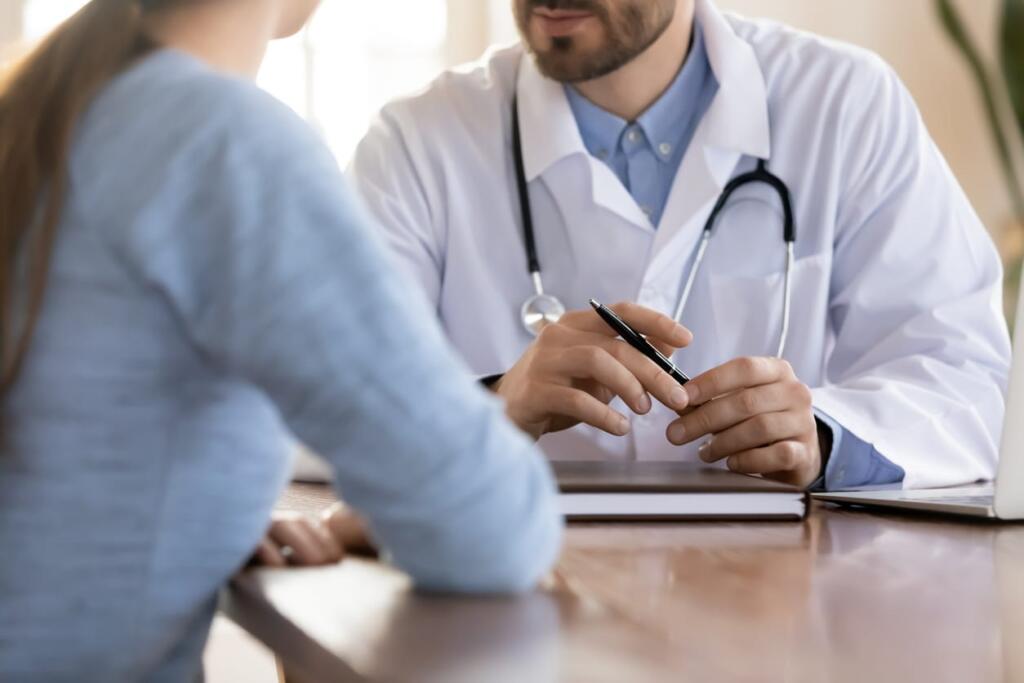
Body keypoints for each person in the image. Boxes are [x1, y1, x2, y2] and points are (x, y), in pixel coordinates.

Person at [0, 0, 563, 679]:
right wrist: (397, 508)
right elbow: (492, 527)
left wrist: (209, 509)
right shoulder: (222, 141)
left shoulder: (45, 106)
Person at [348, 0, 1012, 490]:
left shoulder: (846, 105)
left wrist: (825, 435)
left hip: (775, 600)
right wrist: (492, 406)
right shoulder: (417, 141)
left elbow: (964, 381)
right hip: (516, 591)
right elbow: (326, 407)